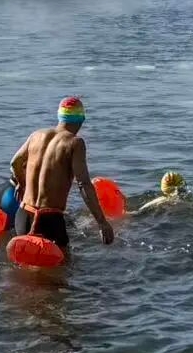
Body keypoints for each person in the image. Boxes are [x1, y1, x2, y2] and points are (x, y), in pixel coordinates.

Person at [10, 97, 115, 249]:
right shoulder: (75, 143)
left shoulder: (36, 135)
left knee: (24, 259)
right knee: (64, 262)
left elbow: (15, 163)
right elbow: (83, 184)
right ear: (81, 120)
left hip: (24, 214)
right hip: (49, 219)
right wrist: (102, 222)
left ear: (60, 116)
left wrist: (21, 183)